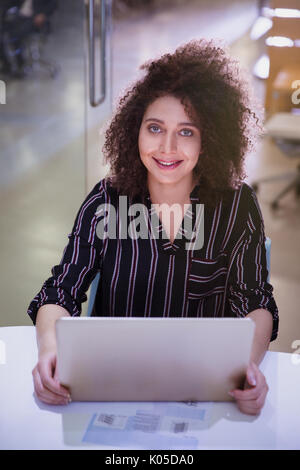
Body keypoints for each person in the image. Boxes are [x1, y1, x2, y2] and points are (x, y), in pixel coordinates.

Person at [27, 39, 279, 415]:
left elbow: (256, 303)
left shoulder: (236, 204)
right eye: (155, 128)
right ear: (135, 131)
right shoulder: (107, 200)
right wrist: (50, 349)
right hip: (111, 387)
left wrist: (250, 365)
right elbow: (60, 291)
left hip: (202, 394)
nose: (167, 148)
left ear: (210, 139)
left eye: (187, 132)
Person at [0, 0, 57, 77]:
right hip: (19, 17)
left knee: (15, 36)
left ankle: (20, 64)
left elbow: (53, 4)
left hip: (35, 20)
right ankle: (6, 64)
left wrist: (43, 15)